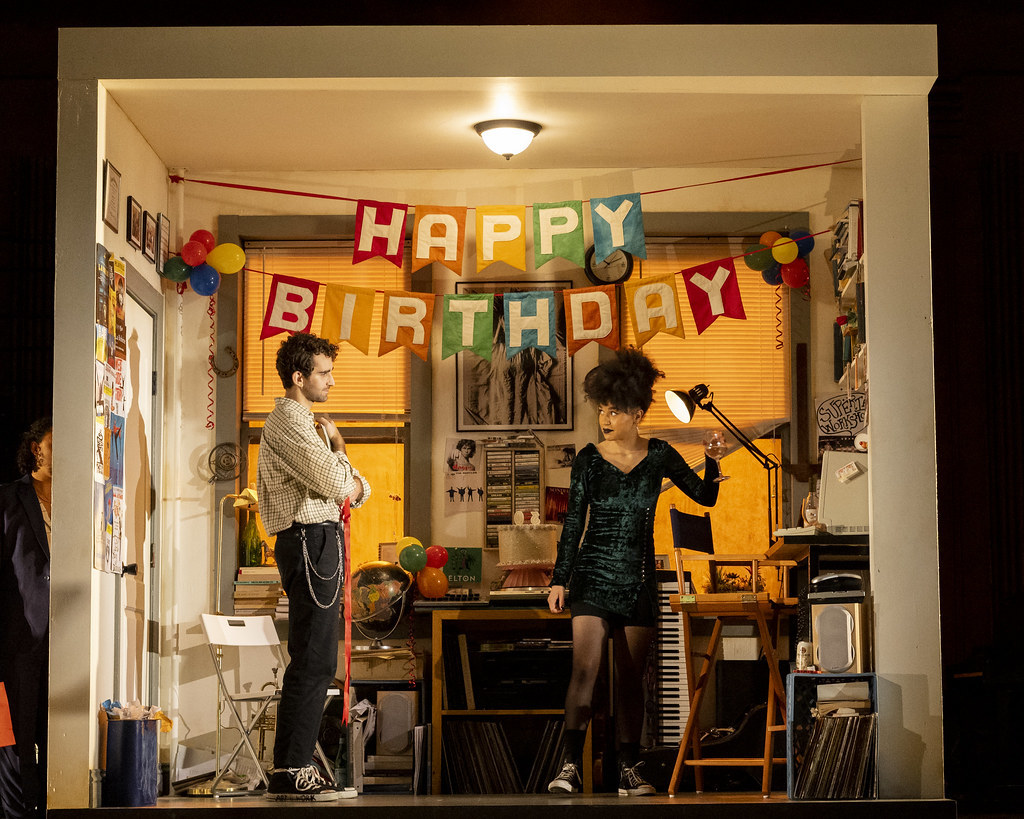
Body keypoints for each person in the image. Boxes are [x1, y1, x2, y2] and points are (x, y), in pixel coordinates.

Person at [546, 348, 720, 796]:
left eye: (615, 411)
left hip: (640, 578)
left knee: (631, 679)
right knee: (584, 671)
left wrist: (714, 459)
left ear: (638, 412)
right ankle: (569, 766)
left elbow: (705, 497)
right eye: (602, 410)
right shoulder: (588, 458)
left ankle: (628, 768)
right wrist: (560, 579)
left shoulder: (660, 454)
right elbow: (572, 522)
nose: (605, 419)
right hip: (591, 575)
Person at [256, 333, 370, 802]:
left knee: (318, 656)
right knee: (314, 658)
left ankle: (294, 764)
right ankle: (290, 767)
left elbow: (353, 489)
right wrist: (343, 458)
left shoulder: (310, 424)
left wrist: (345, 466)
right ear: (299, 378)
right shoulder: (289, 421)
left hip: (320, 539)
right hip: (308, 539)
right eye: (324, 372)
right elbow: (340, 485)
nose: (332, 380)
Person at [0, 417, 53, 817]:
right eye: (57, 442)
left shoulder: (79, 497)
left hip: (68, 629)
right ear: (37, 449)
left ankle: (53, 803)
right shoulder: (8, 497)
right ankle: (23, 809)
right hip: (21, 630)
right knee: (21, 730)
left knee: (56, 729)